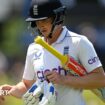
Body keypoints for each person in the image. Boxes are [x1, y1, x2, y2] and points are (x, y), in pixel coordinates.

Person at [0, 0, 105, 105]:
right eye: (37, 21)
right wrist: (9, 91)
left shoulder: (78, 42)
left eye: (45, 20)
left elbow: (100, 79)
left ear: (58, 17)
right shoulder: (34, 48)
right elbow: (27, 85)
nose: (40, 25)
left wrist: (63, 79)